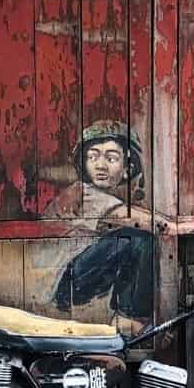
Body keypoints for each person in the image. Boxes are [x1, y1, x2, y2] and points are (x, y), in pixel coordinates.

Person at [45, 120, 160, 336]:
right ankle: (129, 320)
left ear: (127, 169)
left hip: (74, 279)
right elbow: (146, 222)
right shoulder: (83, 194)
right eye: (93, 156)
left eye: (111, 158)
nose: (100, 165)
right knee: (138, 240)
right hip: (63, 284)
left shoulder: (106, 196)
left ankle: (127, 317)